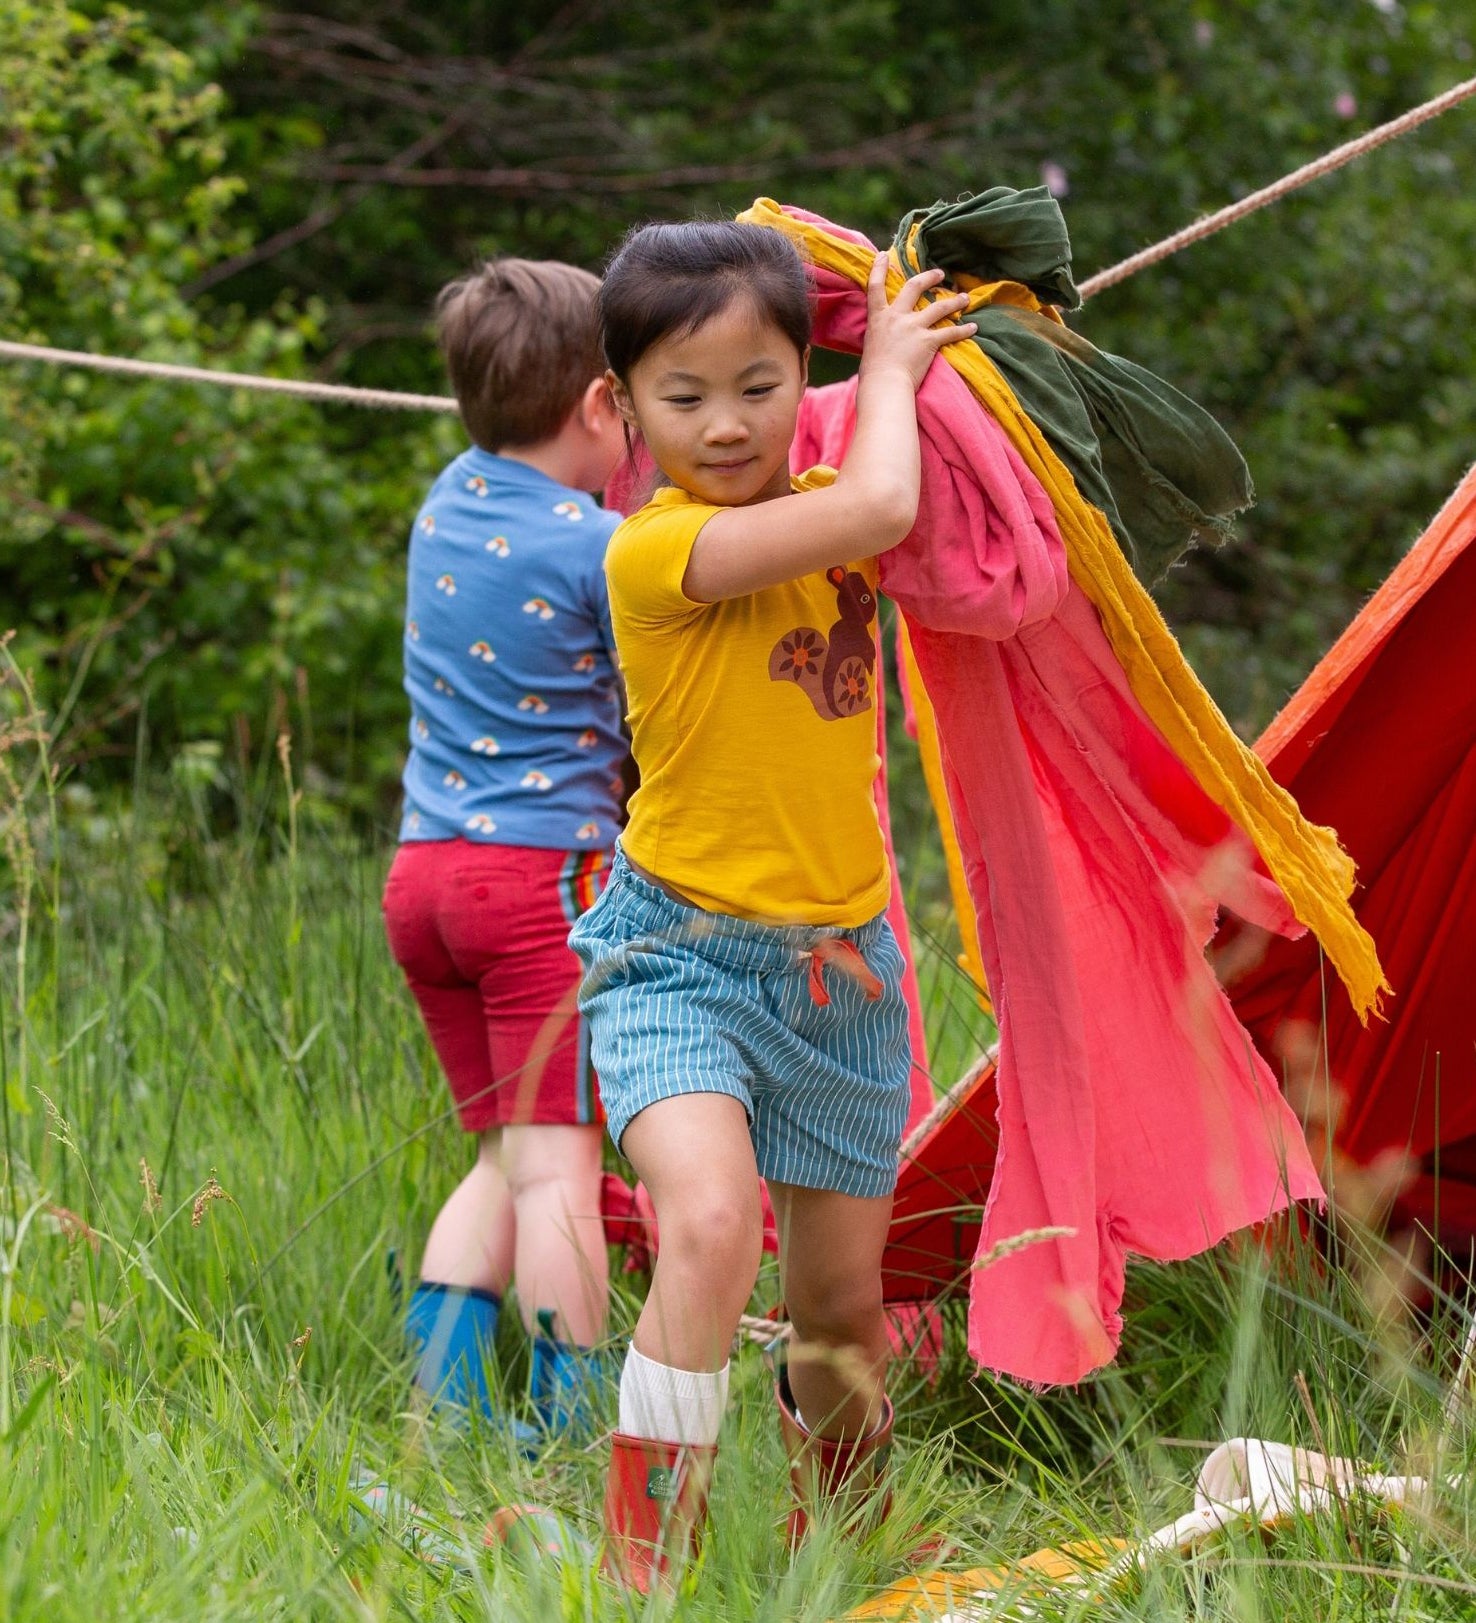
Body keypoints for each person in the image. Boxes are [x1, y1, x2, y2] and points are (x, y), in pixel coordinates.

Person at [570, 220, 975, 1588]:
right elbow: (878, 509)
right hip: (678, 957)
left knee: (840, 1311)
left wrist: (924, 373)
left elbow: (919, 517)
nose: (727, 424)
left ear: (802, 373)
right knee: (705, 1223)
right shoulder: (657, 553)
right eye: (684, 397)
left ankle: (849, 1542)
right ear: (619, 406)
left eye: (759, 384)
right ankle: (643, 1566)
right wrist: (895, 372)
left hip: (841, 969)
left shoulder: (831, 476)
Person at [382, 258, 628, 1442]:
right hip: (537, 885)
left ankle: (448, 1408)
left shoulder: (445, 499)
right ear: (597, 408)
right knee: (558, 1175)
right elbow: (649, 713)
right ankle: (571, 1429)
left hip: (421, 879)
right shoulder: (596, 548)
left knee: (502, 1157)